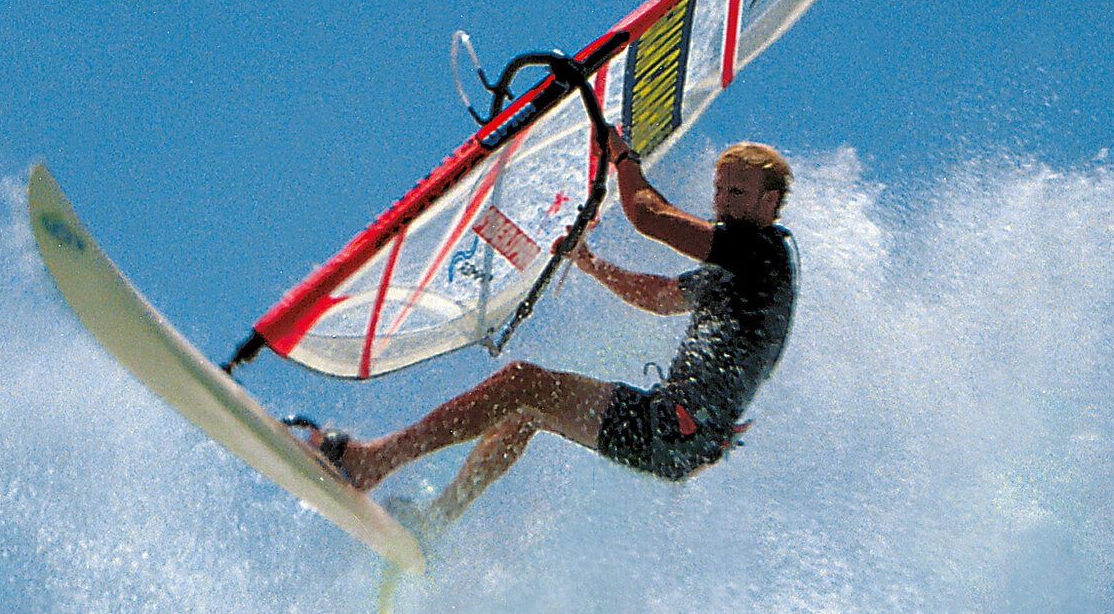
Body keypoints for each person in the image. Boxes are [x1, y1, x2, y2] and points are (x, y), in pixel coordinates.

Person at [312, 126, 795, 538]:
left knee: (522, 382)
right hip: (681, 437)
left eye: (736, 194)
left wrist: (622, 155)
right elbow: (661, 296)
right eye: (719, 190)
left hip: (671, 426)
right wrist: (590, 264)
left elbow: (648, 215)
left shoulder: (759, 251)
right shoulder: (747, 268)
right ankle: (438, 519)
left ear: (768, 201)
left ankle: (373, 461)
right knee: (524, 409)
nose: (721, 204)